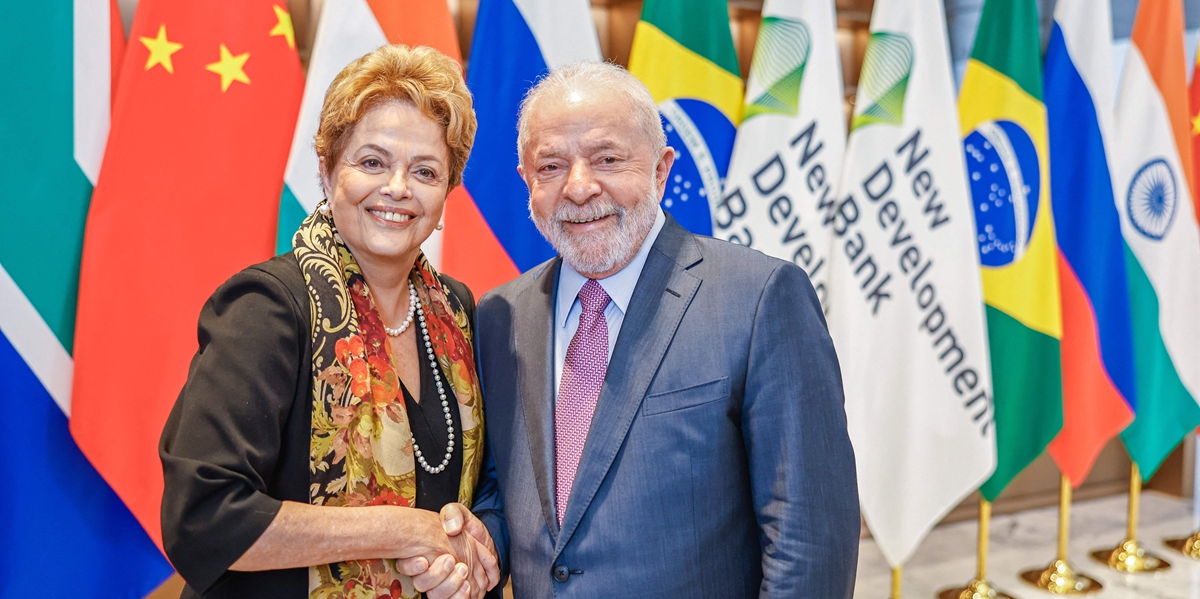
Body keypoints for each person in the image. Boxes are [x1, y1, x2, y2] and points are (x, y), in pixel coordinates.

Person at [468, 61, 861, 598]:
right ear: (527, 183)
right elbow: (498, 489)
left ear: (660, 168)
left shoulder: (760, 297)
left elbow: (808, 540)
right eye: (552, 166)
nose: (579, 188)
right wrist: (476, 542)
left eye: (607, 158)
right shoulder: (498, 317)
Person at [160, 44, 501, 599]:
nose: (397, 188)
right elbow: (205, 518)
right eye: (372, 162)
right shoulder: (267, 307)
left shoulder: (459, 312)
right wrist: (404, 528)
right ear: (327, 169)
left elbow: (484, 488)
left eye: (425, 171)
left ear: (446, 193)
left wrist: (462, 556)